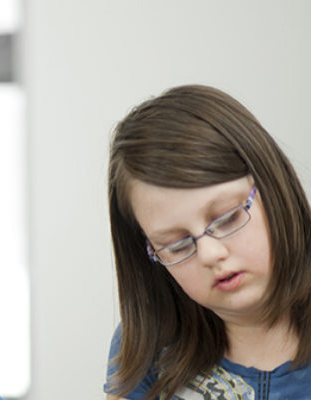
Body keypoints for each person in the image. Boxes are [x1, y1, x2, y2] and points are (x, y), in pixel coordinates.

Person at [104, 85, 311, 399]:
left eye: (228, 218)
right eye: (176, 245)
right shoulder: (147, 349)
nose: (211, 253)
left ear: (272, 186)